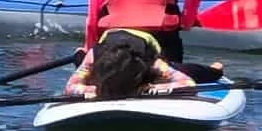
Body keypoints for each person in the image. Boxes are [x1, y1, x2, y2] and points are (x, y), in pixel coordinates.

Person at [62, 26, 199, 100]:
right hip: (108, 46)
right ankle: (80, 55)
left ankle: (214, 68)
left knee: (205, 73)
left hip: (143, 46)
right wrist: (99, 90)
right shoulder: (93, 56)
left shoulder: (151, 61)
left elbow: (188, 84)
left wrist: (146, 88)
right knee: (84, 67)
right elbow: (70, 87)